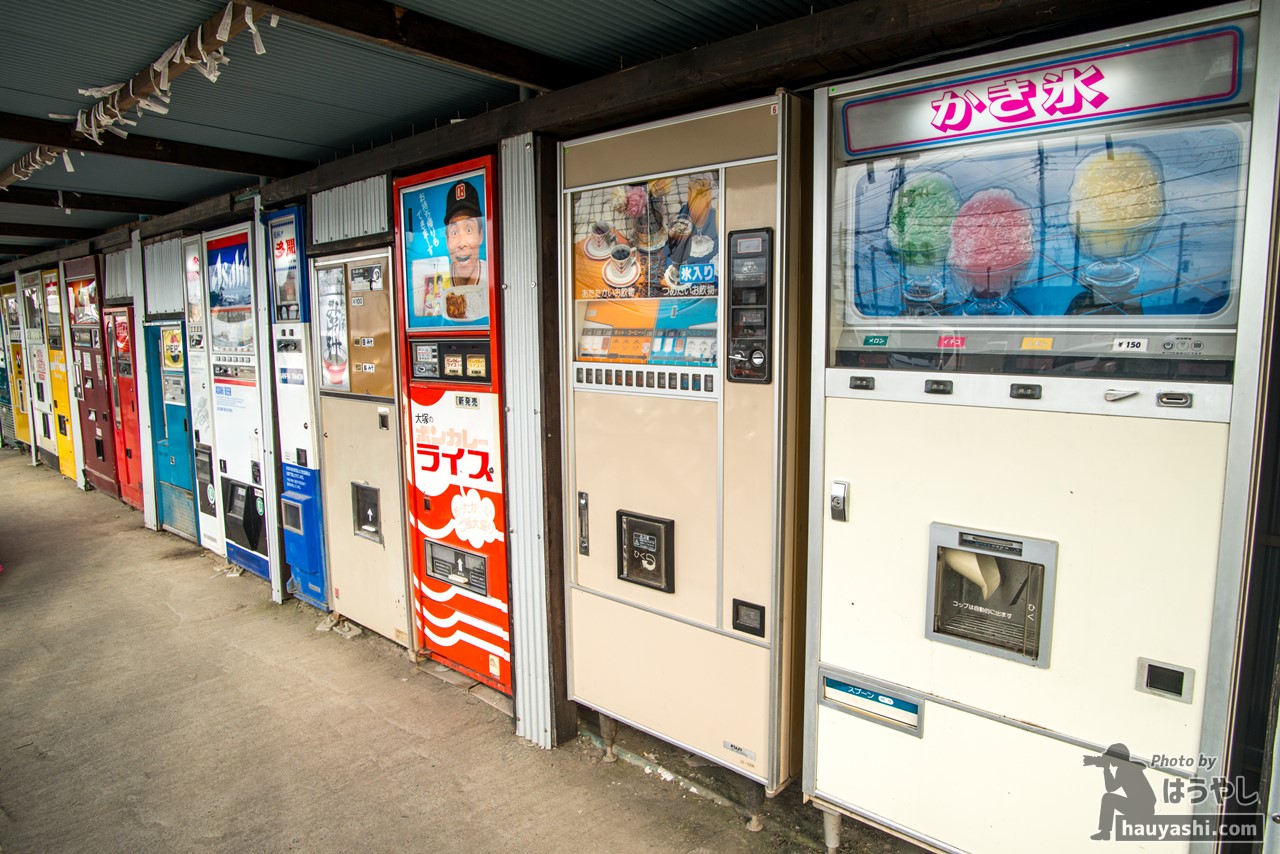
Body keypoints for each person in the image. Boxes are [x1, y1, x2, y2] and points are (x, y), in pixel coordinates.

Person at [1089, 743, 1156, 840]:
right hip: (1144, 808)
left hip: (1142, 809)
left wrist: (1106, 769)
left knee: (1108, 798)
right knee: (1108, 798)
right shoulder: (1126, 768)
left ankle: (1105, 832)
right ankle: (1105, 832)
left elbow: (1110, 788)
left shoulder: (1124, 769)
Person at [443, 179, 487, 288]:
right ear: (447, 240)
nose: (462, 243)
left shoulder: (492, 276)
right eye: (454, 232)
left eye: (469, 230)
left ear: (480, 235)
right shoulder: (440, 281)